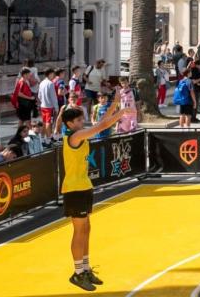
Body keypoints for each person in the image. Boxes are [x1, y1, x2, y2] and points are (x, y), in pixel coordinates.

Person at [60, 99, 130, 291]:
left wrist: (115, 102)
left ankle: (85, 268)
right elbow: (103, 126)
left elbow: (102, 123)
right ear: (70, 123)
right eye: (79, 119)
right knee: (79, 230)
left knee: (86, 229)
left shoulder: (79, 134)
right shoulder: (74, 137)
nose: (83, 121)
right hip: (74, 189)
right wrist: (122, 111)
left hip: (83, 187)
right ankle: (77, 273)